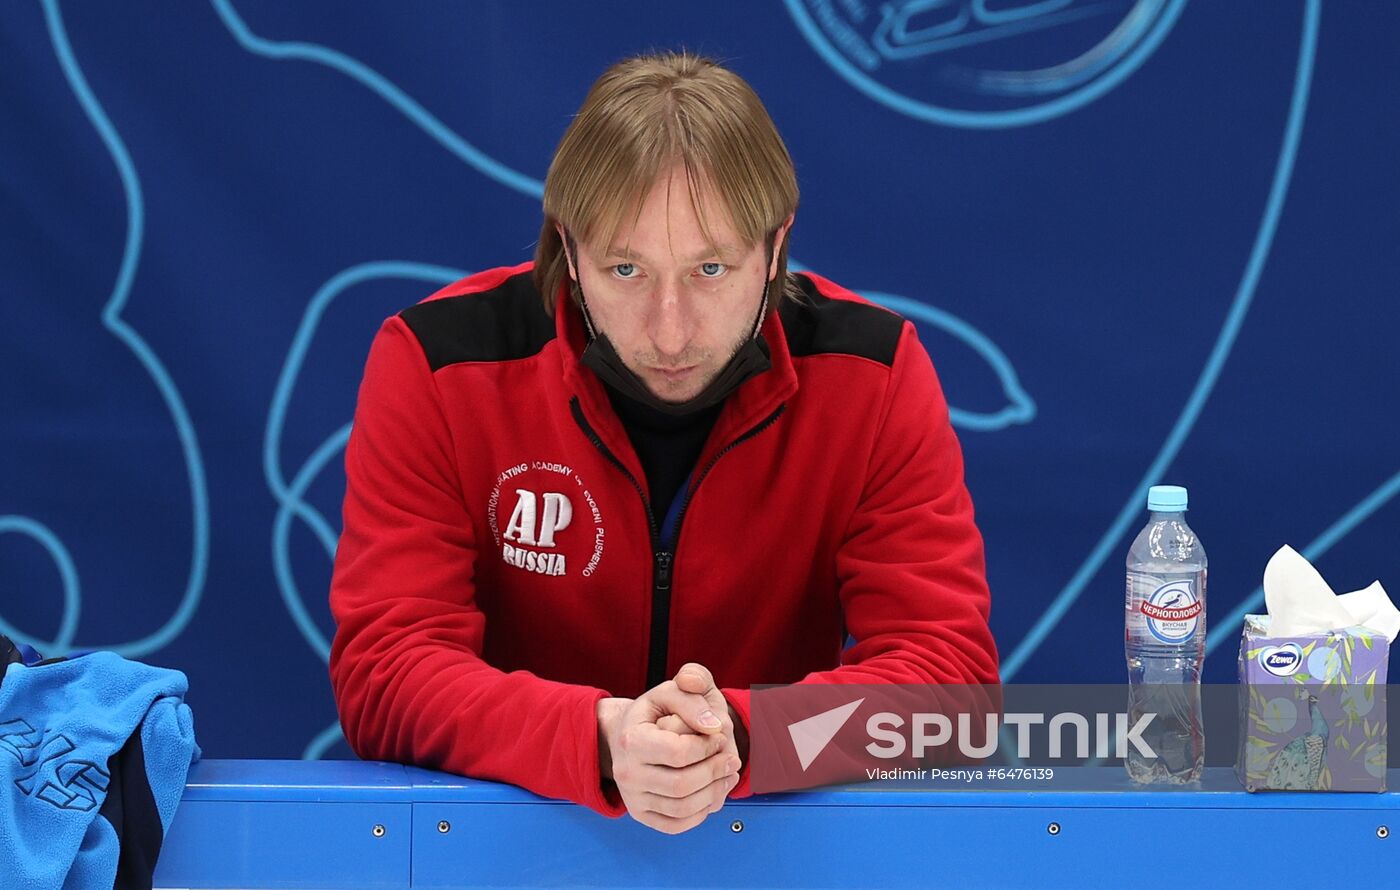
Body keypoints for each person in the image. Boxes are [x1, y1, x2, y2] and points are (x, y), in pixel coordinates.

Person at [328, 50, 998, 836]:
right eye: (626, 269)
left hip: (774, 855)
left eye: (710, 268)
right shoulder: (439, 362)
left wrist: (742, 740)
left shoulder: (872, 374)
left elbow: (949, 689)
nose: (670, 331)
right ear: (568, 246)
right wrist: (600, 740)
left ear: (775, 247)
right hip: (503, 852)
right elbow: (385, 673)